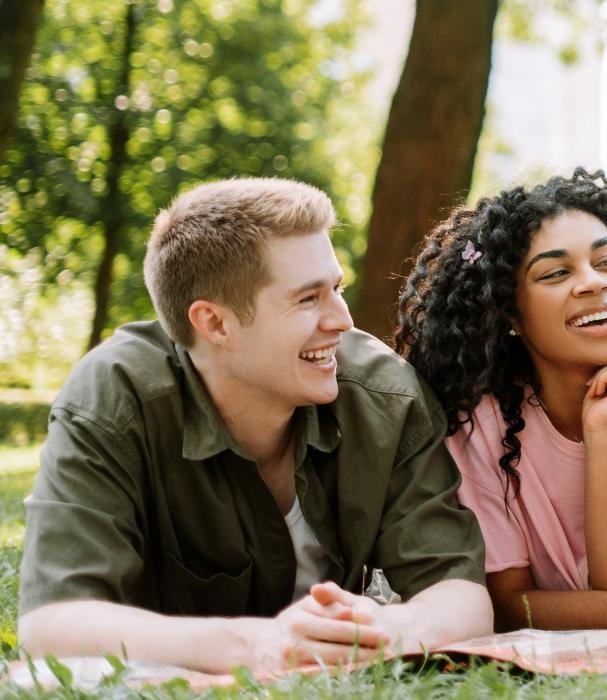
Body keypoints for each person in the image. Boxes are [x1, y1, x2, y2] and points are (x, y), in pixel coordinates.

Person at [18, 178, 491, 672]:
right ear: (215, 324)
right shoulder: (114, 401)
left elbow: (460, 593)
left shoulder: (383, 395)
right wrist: (258, 645)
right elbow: (52, 622)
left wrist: (389, 631)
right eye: (309, 299)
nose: (343, 320)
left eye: (337, 288)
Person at [396, 169, 607, 631]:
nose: (593, 283)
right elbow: (508, 605)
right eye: (557, 272)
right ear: (509, 314)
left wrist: (602, 435)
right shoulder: (476, 420)